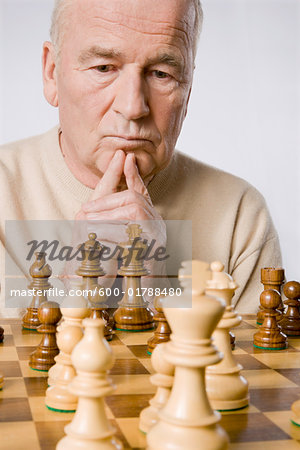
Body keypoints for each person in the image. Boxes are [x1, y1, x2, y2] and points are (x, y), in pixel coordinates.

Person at [0, 0, 281, 318]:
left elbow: (256, 367)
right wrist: (79, 293)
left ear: (188, 91)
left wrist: (151, 299)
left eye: (162, 74)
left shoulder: (239, 216)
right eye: (103, 68)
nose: (133, 107)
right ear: (51, 74)